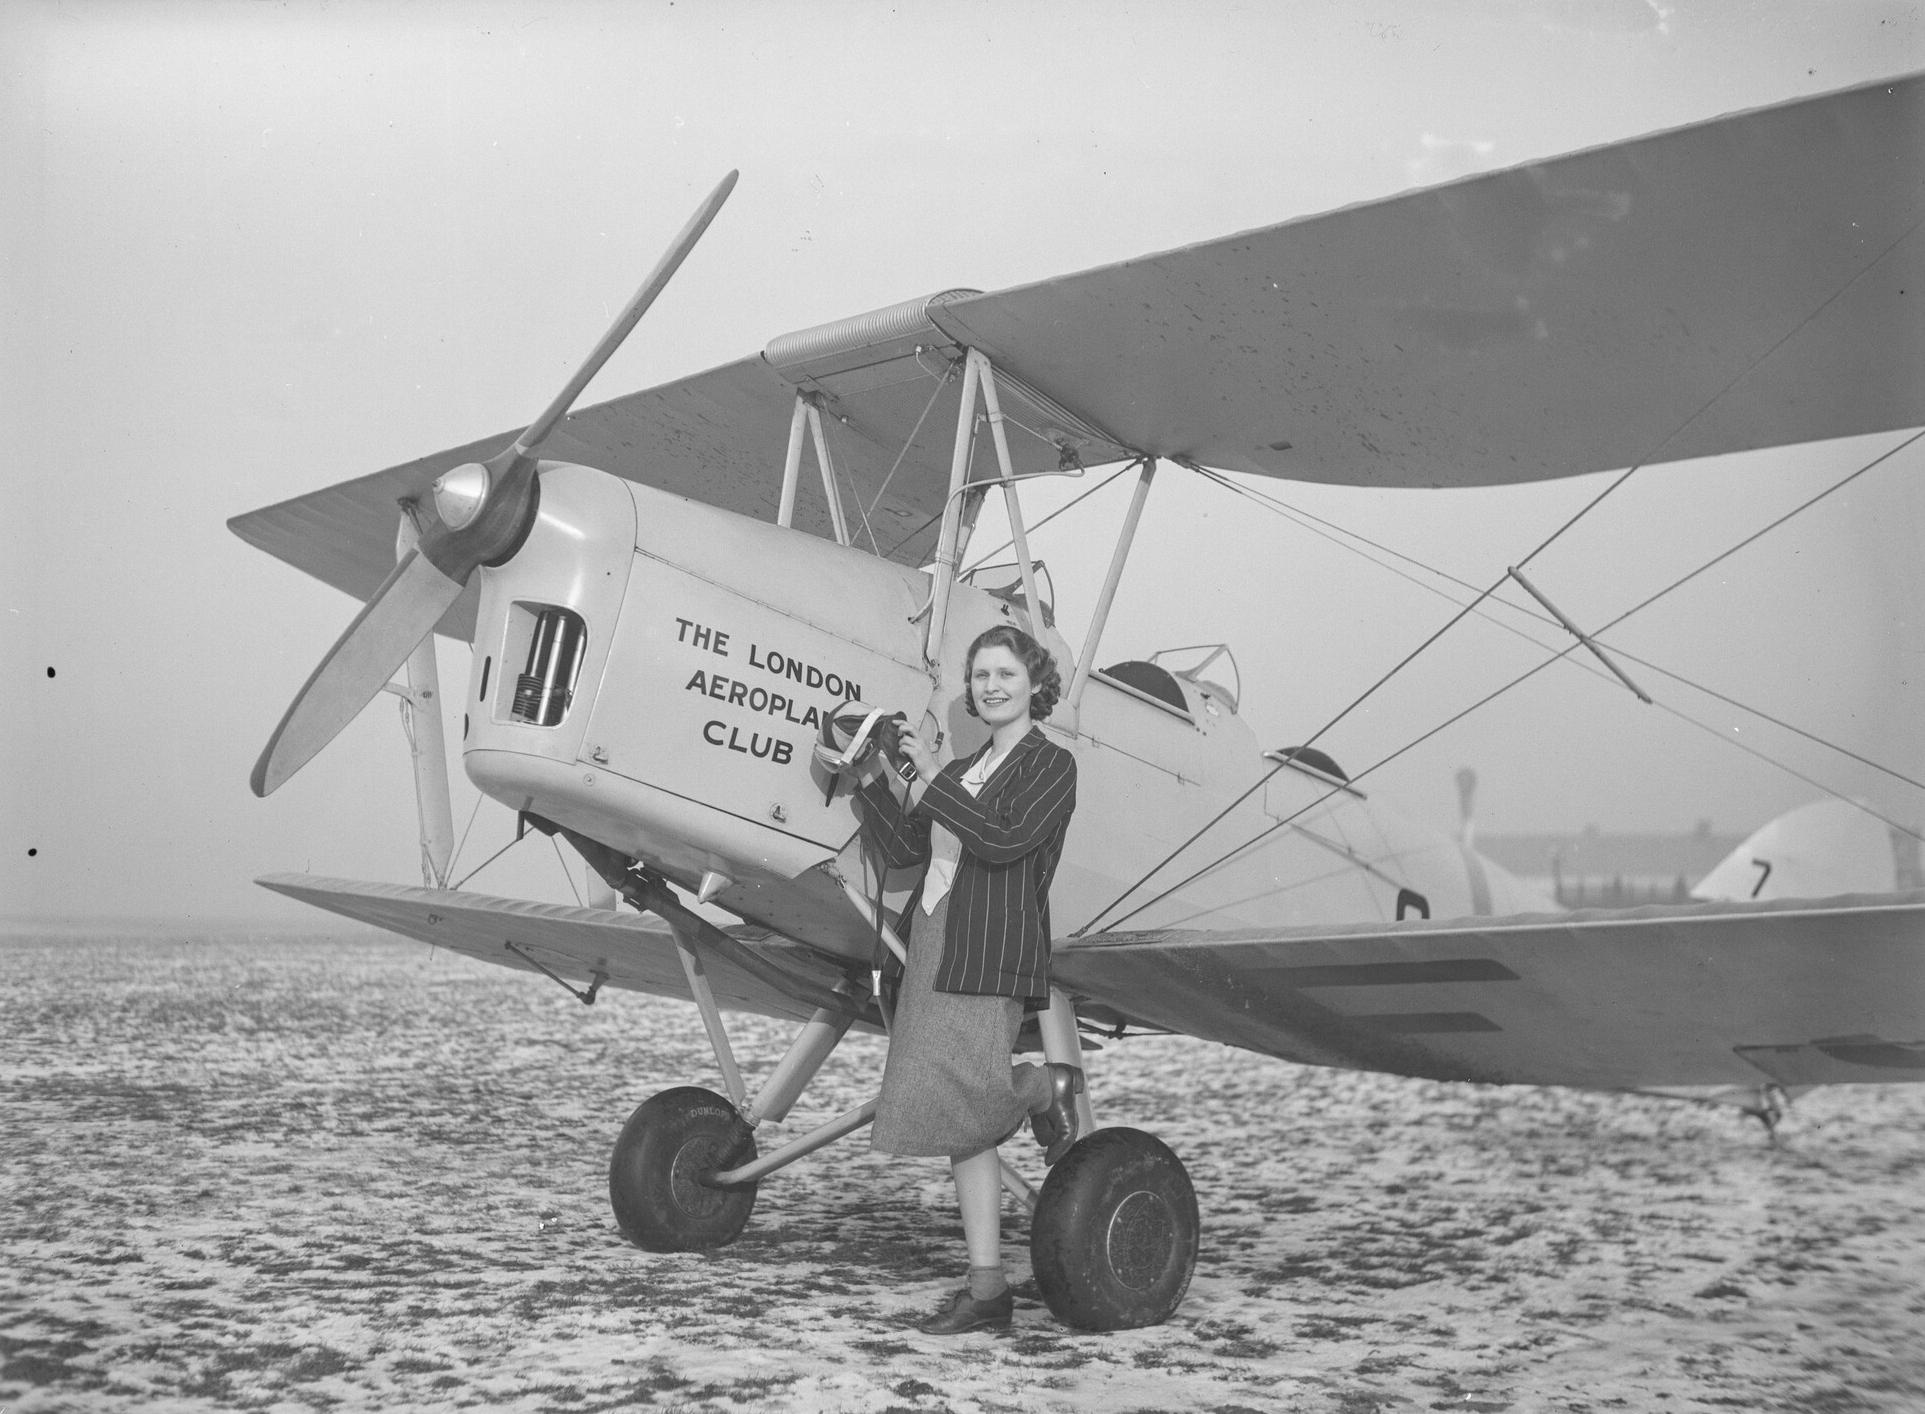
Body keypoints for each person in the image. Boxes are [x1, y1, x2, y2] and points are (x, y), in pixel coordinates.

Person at [848, 624, 1082, 1335]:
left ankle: (1042, 1086)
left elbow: (1003, 841)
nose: (991, 686)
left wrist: (931, 778)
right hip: (933, 939)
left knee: (966, 1093)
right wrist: (870, 775)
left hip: (990, 944)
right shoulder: (964, 768)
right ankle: (987, 1289)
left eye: (1005, 673)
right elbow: (907, 849)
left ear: (1035, 683)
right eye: (981, 676)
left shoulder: (1052, 765)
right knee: (953, 1111)